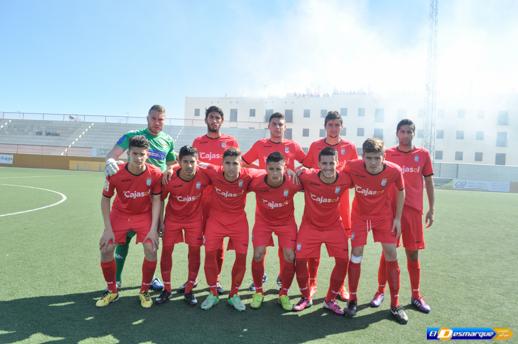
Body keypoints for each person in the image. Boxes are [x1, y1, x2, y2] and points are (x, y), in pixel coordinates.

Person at [104, 104, 176, 291]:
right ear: (147, 118)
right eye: (153, 118)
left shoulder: (168, 140)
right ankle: (117, 278)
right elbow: (113, 154)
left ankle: (151, 279)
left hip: (155, 198)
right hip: (130, 196)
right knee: (123, 239)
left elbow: (171, 163)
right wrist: (111, 160)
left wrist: (170, 168)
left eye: (160, 119)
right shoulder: (132, 136)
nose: (157, 122)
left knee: (153, 241)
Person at [369, 119, 435, 314]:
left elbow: (429, 182)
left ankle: (416, 295)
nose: (406, 135)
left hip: (413, 211)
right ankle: (380, 291)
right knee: (387, 253)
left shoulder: (423, 155)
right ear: (397, 133)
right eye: (402, 131)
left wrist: (432, 208)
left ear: (414, 133)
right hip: (390, 212)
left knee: (412, 252)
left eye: (409, 131)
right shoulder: (387, 154)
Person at [344, 138, 408, 324]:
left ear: (384, 156)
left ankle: (395, 305)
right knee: (356, 254)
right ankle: (352, 300)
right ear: (362, 156)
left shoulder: (394, 170)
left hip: (383, 216)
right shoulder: (353, 166)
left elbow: (401, 191)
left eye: (377, 158)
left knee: (391, 253)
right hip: (359, 216)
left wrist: (397, 218)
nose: (373, 162)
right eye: (369, 157)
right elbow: (337, 176)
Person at [96, 136, 162, 308]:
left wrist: (154, 228)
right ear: (128, 154)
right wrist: (107, 229)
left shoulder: (155, 173)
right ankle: (112, 291)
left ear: (147, 154)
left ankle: (144, 291)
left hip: (143, 214)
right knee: (106, 248)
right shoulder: (115, 172)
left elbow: (156, 200)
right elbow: (105, 200)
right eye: (134, 154)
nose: (138, 158)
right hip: (120, 214)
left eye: (142, 154)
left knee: (151, 247)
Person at [242, 112, 306, 290]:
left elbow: (308, 164)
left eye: (281, 124)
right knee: (260, 251)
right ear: (268, 126)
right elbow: (244, 162)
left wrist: (294, 170)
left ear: (285, 127)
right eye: (274, 124)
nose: (278, 127)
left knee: (286, 251)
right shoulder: (260, 145)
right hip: (264, 205)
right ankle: (259, 279)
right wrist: (261, 171)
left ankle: (282, 278)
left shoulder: (293, 146)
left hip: (285, 204)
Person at [302, 110, 357, 300]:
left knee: (341, 249)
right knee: (313, 248)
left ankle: (340, 287)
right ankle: (312, 283)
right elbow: (307, 168)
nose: (333, 128)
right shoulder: (316, 146)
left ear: (341, 126)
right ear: (325, 126)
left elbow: (355, 173)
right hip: (317, 203)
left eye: (337, 125)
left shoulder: (350, 147)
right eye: (330, 125)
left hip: (341, 203)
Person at [184, 106, 239, 294]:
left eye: (217, 117)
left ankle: (215, 279)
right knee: (195, 241)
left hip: (221, 200)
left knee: (217, 243)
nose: (214, 120)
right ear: (206, 120)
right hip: (199, 200)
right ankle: (192, 277)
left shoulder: (230, 141)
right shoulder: (198, 142)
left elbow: (235, 168)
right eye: (211, 117)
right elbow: (191, 167)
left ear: (222, 121)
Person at [200, 148, 260, 311]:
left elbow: (267, 171)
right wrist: (170, 169)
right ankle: (213, 292)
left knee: (241, 258)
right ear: (222, 164)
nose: (232, 168)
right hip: (216, 221)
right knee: (210, 255)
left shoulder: (248, 174)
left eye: (235, 163)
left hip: (238, 222)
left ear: (241, 164)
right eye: (228, 163)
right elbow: (193, 163)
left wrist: (291, 172)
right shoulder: (213, 171)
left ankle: (234, 294)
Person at [293, 147, 351, 315]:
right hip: (310, 227)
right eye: (324, 163)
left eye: (331, 163)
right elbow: (296, 170)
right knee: (300, 259)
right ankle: (305, 297)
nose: (327, 167)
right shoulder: (308, 176)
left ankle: (330, 300)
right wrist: (297, 170)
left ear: (337, 163)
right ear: (318, 164)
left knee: (343, 261)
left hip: (334, 226)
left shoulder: (345, 179)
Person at [155, 146, 210, 306]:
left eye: (192, 162)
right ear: (179, 162)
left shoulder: (204, 175)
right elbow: (160, 199)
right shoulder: (169, 178)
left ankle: (189, 288)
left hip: (194, 220)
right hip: (173, 220)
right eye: (185, 162)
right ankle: (166, 288)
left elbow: (220, 170)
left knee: (194, 251)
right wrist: (160, 223)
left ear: (197, 162)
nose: (189, 166)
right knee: (167, 251)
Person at [248, 152, 302, 311]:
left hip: (286, 223)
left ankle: (284, 293)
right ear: (266, 168)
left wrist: (297, 170)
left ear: (285, 167)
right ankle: (258, 291)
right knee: (258, 254)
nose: (275, 173)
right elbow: (238, 174)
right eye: (271, 169)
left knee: (290, 256)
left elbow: (312, 174)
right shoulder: (256, 182)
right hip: (263, 222)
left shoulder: (293, 182)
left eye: (278, 169)